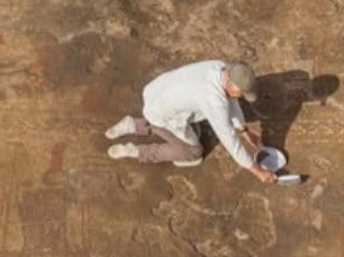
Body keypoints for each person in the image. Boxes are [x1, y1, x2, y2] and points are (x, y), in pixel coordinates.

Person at [105, 60, 276, 184]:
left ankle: (132, 124)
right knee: (193, 152)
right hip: (161, 113)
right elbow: (229, 139)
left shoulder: (222, 67)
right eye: (242, 93)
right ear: (231, 85)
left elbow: (232, 101)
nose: (242, 97)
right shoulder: (213, 99)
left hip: (155, 91)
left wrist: (244, 131)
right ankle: (136, 151)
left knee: (182, 123)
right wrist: (257, 170)